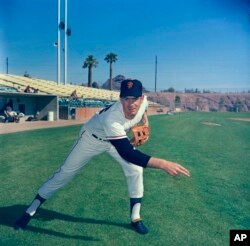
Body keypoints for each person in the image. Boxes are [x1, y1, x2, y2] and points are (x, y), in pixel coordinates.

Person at [14, 79, 190, 234]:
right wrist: (163, 164)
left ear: (142, 98)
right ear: (120, 99)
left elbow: (142, 114)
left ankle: (136, 218)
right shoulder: (112, 118)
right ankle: (30, 211)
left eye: (134, 98)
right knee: (64, 174)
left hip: (114, 140)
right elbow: (126, 152)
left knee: (135, 170)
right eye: (126, 99)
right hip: (91, 139)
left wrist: (145, 123)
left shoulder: (143, 104)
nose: (131, 103)